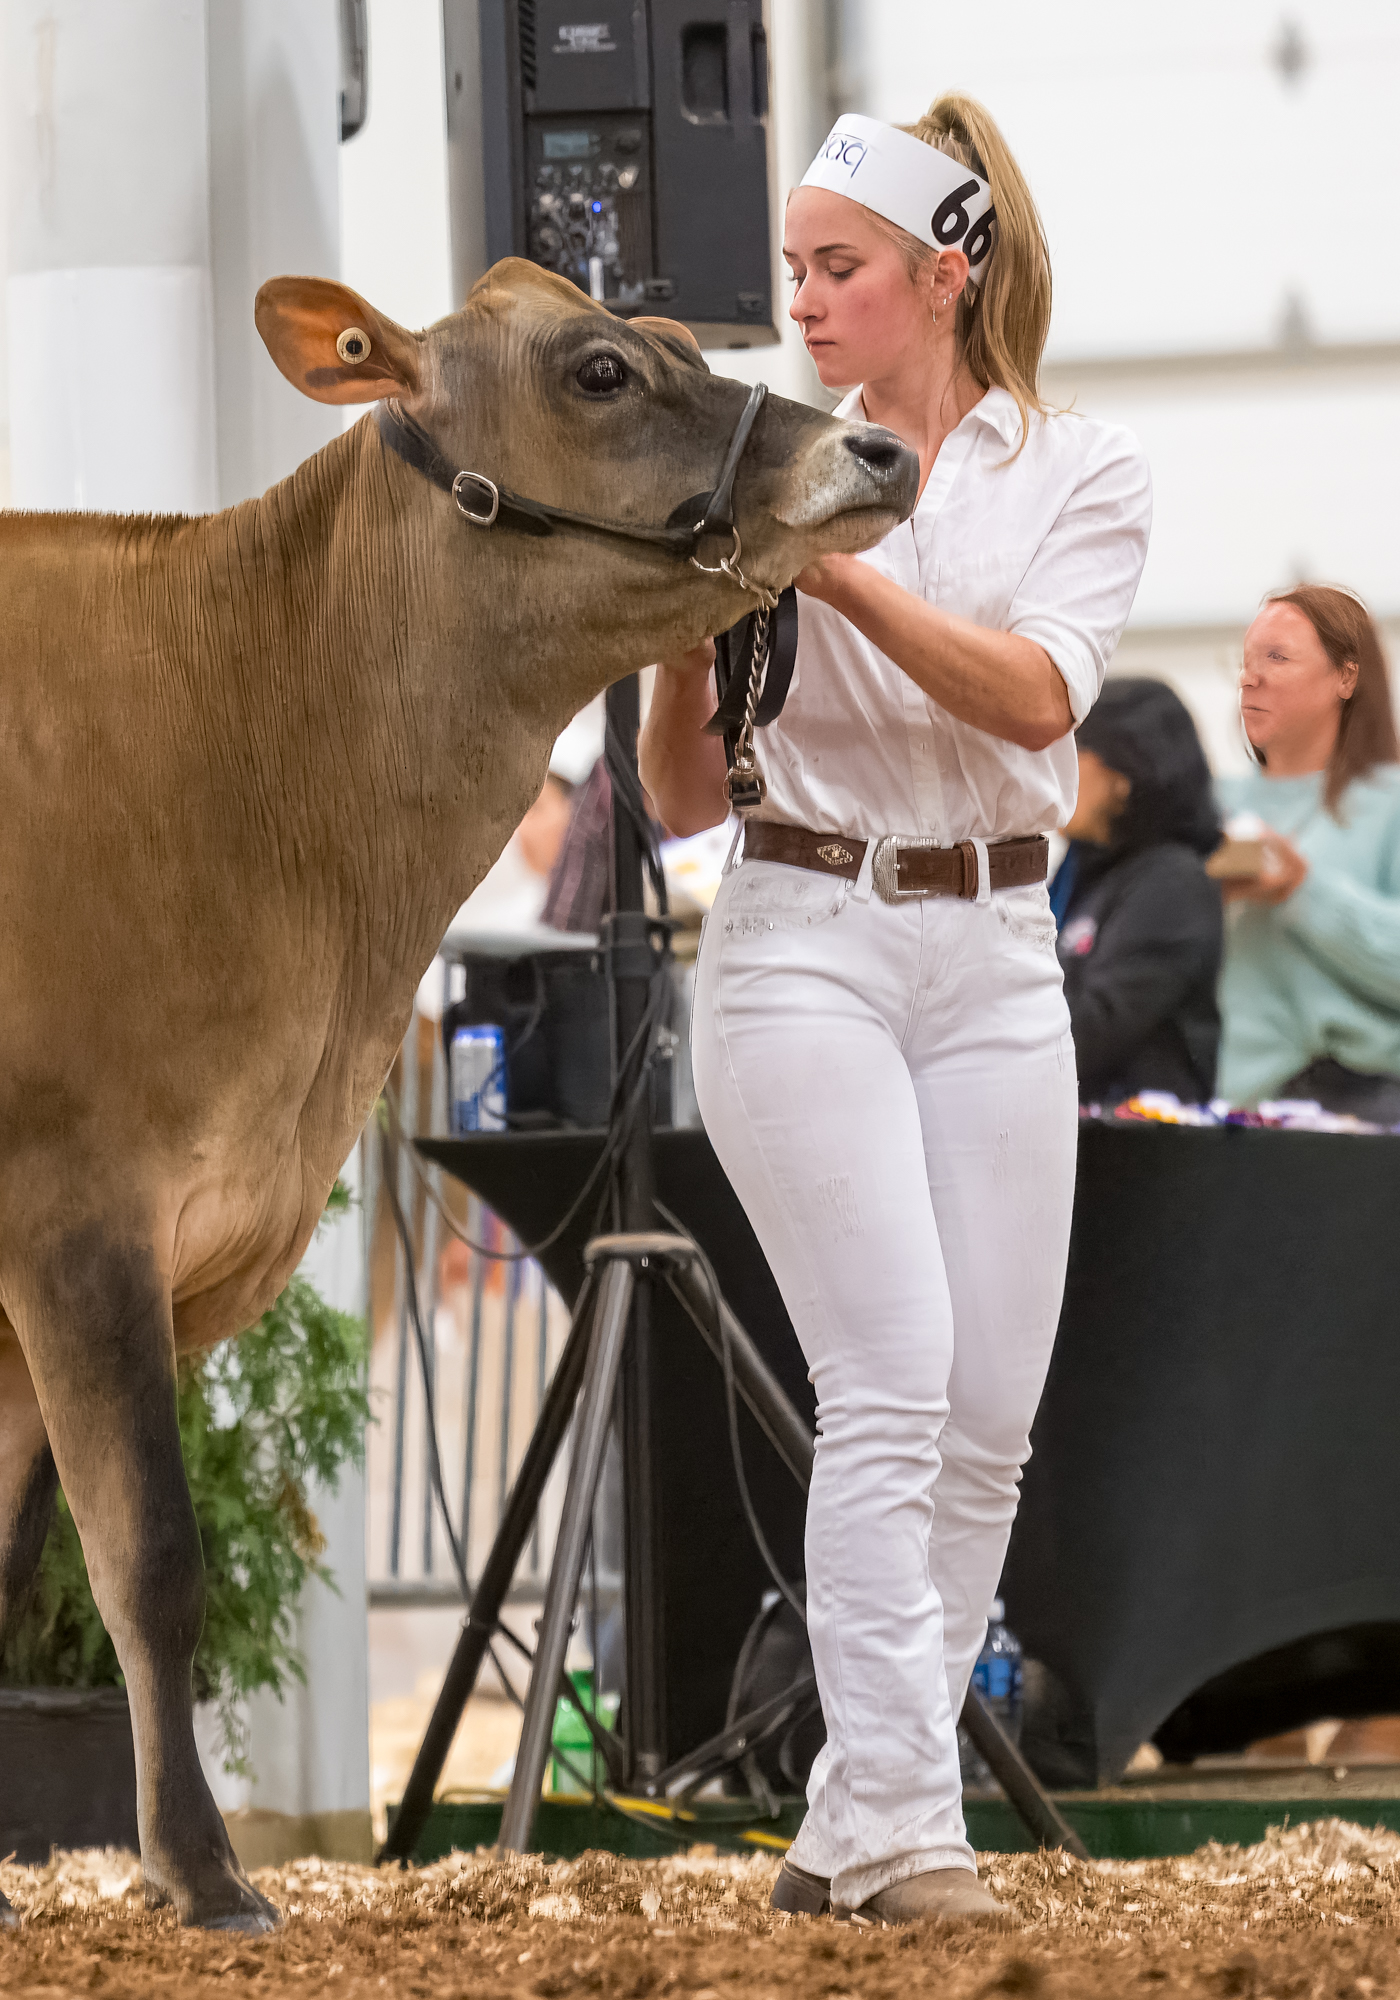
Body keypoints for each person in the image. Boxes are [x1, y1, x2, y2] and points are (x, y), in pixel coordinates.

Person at [640, 97, 1151, 1925]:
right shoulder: (763, 467)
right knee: (894, 1380)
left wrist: (826, 562)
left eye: (837, 267)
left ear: (945, 274)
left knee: (989, 1416)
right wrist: (683, 640)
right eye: (793, 269)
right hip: (803, 935)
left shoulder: (1079, 470)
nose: (803, 301)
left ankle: (851, 1824)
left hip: (1001, 947)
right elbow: (681, 801)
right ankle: (915, 1836)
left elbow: (1034, 701)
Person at [1213, 585, 1400, 1120]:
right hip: (1230, 1115)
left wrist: (1302, 891)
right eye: (1246, 661)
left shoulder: (1390, 803)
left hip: (1355, 1111)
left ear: (1347, 677)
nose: (1250, 678)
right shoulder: (1212, 806)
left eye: (1277, 657)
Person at [1053, 677, 1224, 1106]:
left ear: (1124, 772)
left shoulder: (1172, 883)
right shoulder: (1082, 872)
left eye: (1072, 751)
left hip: (1141, 1140)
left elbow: (1091, 1035)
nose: (1052, 770)